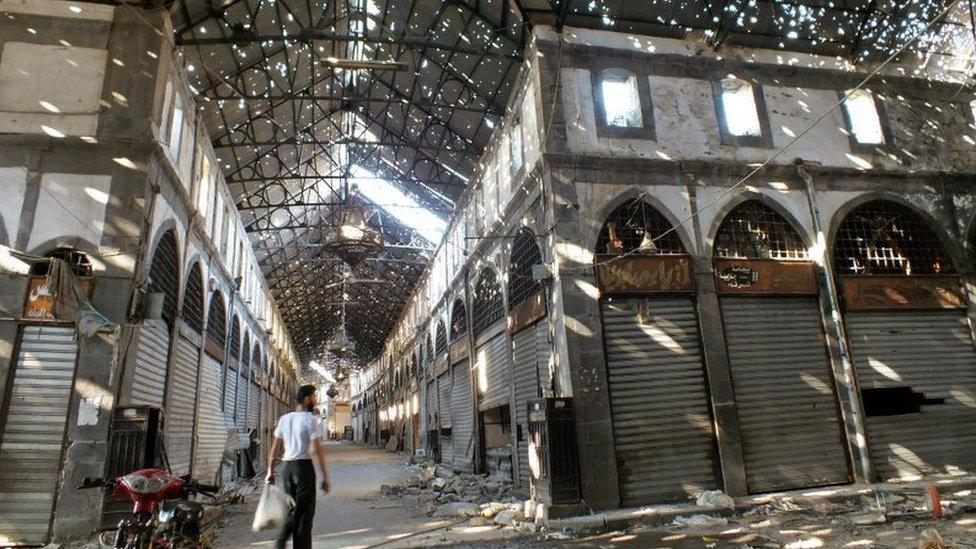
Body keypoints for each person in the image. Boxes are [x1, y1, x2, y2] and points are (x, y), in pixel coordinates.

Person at [266, 385, 331, 549]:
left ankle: (282, 541)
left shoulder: (284, 419)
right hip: (304, 469)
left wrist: (270, 472)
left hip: (287, 469)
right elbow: (316, 450)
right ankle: (289, 543)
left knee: (292, 509)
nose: (316, 401)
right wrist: (325, 477)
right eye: (314, 397)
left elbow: (275, 449)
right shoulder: (310, 420)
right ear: (307, 398)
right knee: (304, 516)